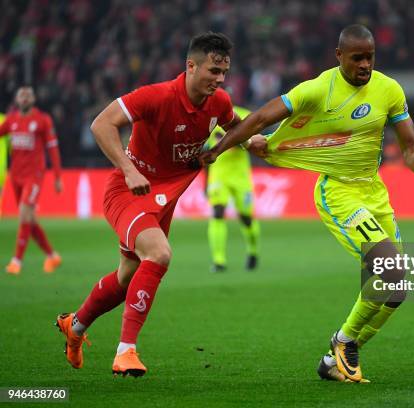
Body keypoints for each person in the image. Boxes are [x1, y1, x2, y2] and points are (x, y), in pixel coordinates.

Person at [200, 24, 414, 383]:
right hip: (338, 194)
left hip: (375, 193)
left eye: (370, 57)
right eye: (357, 57)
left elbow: (409, 146)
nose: (365, 64)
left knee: (397, 289)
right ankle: (343, 344)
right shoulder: (317, 89)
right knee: (387, 268)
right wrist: (221, 147)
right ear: (339, 56)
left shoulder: (389, 90)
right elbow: (263, 117)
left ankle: (335, 357)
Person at [55, 32, 239, 377]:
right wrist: (128, 170)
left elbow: (240, 130)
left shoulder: (219, 103)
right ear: (191, 66)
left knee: (127, 279)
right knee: (160, 254)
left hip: (163, 199)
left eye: (224, 72)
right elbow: (101, 123)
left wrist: (253, 143)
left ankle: (75, 326)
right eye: (213, 71)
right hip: (128, 192)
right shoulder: (156, 96)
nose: (219, 79)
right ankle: (126, 351)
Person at [0, 87, 63, 275]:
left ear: (34, 99)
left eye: (28, 95)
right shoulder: (11, 120)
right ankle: (52, 256)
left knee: (24, 213)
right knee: (30, 221)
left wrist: (58, 177)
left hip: (34, 176)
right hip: (16, 176)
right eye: (21, 95)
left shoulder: (43, 120)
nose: (25, 98)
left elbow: (52, 148)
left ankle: (16, 261)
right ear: (17, 99)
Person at [205, 106, 260, 272]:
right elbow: (207, 150)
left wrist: (228, 139)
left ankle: (252, 251)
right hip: (219, 174)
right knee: (217, 212)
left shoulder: (242, 115)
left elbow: (247, 143)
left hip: (240, 176)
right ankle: (219, 260)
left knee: (246, 218)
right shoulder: (208, 118)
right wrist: (205, 181)